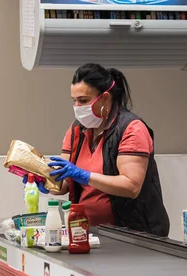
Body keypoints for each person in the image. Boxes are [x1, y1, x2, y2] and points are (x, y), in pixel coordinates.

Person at [42, 63, 169, 237]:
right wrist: (43, 179)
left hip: (134, 235)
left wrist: (85, 176)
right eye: (75, 101)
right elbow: (63, 185)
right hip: (89, 232)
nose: (77, 107)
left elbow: (131, 186)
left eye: (84, 100)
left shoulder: (131, 128)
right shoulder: (76, 131)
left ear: (105, 98)